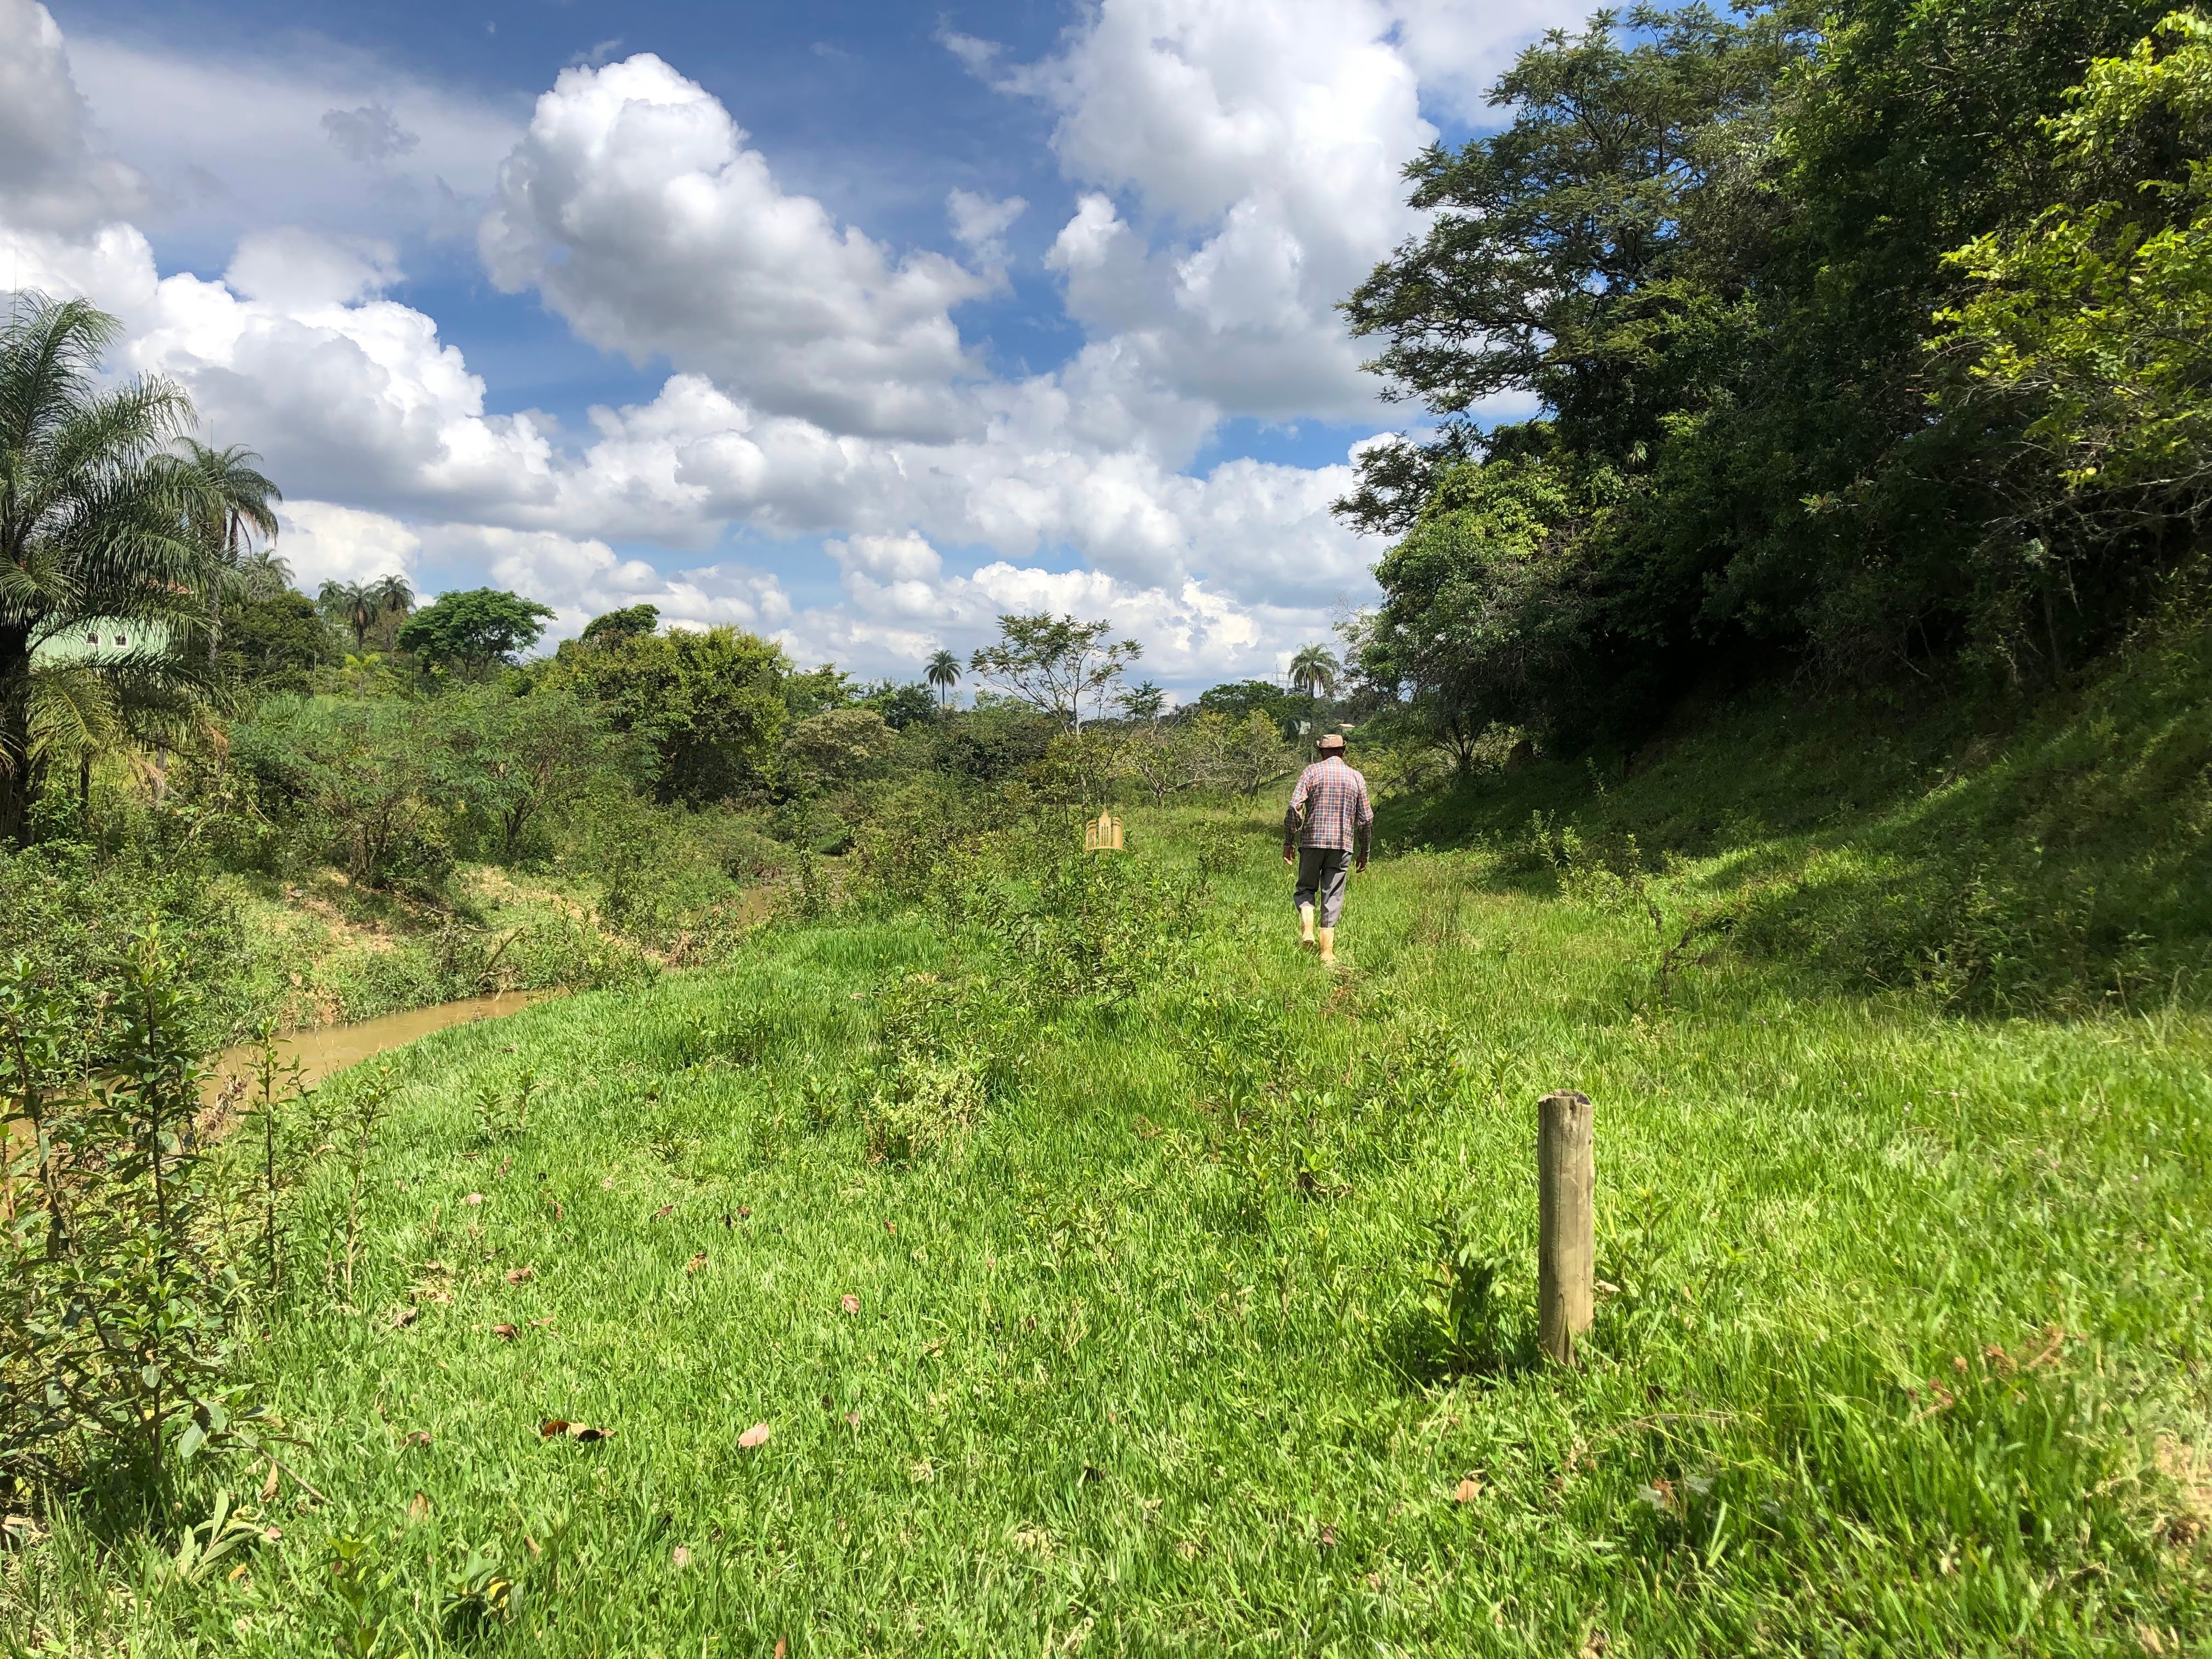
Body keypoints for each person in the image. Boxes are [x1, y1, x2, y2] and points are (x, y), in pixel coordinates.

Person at [1282, 731, 1372, 966]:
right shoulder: (1356, 777)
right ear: (1343, 751)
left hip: (1312, 842)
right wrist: (1365, 851)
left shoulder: (1311, 772)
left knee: (1305, 888)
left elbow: (1294, 807)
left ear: (1321, 752)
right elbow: (1366, 820)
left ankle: (1308, 929)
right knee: (1332, 896)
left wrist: (1289, 841)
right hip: (1342, 845)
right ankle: (1327, 954)